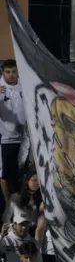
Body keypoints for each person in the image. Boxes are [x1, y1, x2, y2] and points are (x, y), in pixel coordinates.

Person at [0, 59, 25, 201]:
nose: (11, 75)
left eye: (14, 71)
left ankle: (22, 203)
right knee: (5, 174)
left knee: (22, 173)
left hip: (25, 139)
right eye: (8, 72)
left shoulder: (24, 86)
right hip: (6, 139)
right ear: (2, 72)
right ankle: (7, 205)